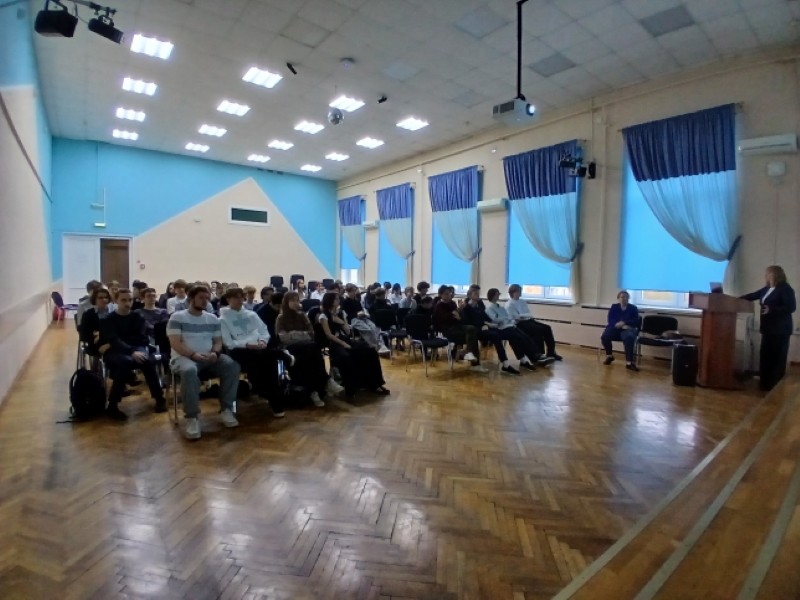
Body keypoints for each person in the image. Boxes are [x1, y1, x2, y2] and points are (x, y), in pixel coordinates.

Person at [167, 285, 241, 440]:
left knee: (232, 366)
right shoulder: (177, 317)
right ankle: (192, 417)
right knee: (189, 371)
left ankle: (227, 409)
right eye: (201, 297)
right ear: (190, 298)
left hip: (209, 356)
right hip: (184, 357)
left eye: (207, 298)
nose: (204, 301)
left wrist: (215, 353)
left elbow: (218, 341)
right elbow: (175, 343)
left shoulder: (212, 318)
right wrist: (193, 355)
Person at [219, 287, 294, 417]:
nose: (239, 300)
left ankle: (274, 399)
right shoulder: (222, 319)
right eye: (235, 297)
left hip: (259, 349)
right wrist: (247, 344)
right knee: (270, 360)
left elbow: (264, 331)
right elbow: (228, 343)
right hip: (239, 351)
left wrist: (263, 341)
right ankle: (282, 356)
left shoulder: (251, 315)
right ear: (228, 299)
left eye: (241, 297)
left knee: (270, 365)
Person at [102, 289, 168, 418]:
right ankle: (113, 405)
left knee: (147, 361)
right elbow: (114, 340)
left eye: (130, 300)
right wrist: (131, 351)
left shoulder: (137, 317)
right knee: (124, 363)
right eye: (123, 300)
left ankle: (159, 398)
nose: (127, 303)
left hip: (136, 348)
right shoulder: (108, 319)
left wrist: (134, 349)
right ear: (116, 301)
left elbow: (141, 338)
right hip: (116, 351)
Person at [317, 292, 389, 399]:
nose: (338, 301)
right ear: (330, 301)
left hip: (346, 339)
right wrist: (343, 343)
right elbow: (328, 335)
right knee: (345, 357)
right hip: (334, 344)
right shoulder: (323, 316)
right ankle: (350, 390)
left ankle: (375, 384)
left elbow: (347, 332)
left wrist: (342, 321)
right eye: (336, 299)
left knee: (371, 351)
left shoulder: (342, 313)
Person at [275, 291, 341, 406]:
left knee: (312, 355)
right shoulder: (281, 318)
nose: (296, 303)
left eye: (297, 300)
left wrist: (294, 334)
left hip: (307, 347)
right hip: (290, 348)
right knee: (312, 351)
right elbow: (282, 337)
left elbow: (311, 333)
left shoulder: (302, 315)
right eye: (293, 300)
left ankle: (314, 390)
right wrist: (301, 334)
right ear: (286, 302)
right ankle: (326, 381)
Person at [740, 265, 796, 391]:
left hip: (780, 330)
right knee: (765, 355)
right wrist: (734, 299)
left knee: (777, 357)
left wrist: (772, 310)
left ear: (775, 274)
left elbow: (791, 307)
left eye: (768, 273)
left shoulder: (786, 289)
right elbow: (753, 295)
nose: (766, 275)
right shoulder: (766, 289)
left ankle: (775, 384)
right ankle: (765, 382)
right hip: (768, 329)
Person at [484, 288, 551, 373]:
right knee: (519, 337)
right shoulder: (489, 308)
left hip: (508, 326)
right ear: (493, 296)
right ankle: (532, 357)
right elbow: (496, 320)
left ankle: (529, 357)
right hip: (500, 329)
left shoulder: (500, 307)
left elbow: (507, 317)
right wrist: (504, 319)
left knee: (524, 337)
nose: (498, 296)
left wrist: (508, 320)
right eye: (497, 294)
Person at [432, 285, 485, 371]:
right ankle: (473, 360)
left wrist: (459, 312)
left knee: (472, 330)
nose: (448, 295)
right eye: (446, 294)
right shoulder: (439, 306)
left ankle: (470, 355)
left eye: (449, 293)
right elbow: (444, 319)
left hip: (457, 326)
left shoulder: (452, 303)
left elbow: (458, 317)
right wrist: (455, 313)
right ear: (441, 295)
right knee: (472, 336)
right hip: (448, 330)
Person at [505, 284, 563, 361]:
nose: (520, 293)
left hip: (528, 320)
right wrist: (523, 316)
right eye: (519, 291)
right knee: (538, 330)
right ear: (513, 292)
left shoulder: (522, 301)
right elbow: (515, 317)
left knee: (547, 328)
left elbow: (528, 314)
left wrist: (522, 316)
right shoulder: (509, 304)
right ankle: (539, 354)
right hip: (520, 324)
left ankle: (551, 352)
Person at [341, 284, 390, 355]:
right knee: (367, 330)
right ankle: (375, 347)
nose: (355, 292)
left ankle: (381, 345)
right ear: (348, 292)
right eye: (353, 291)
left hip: (361, 318)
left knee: (374, 327)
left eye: (355, 290)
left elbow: (360, 310)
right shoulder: (345, 302)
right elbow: (346, 314)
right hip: (352, 319)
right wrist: (357, 314)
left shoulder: (356, 301)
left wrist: (363, 314)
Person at [601, 290, 640, 371]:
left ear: (628, 298)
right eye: (622, 297)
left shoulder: (633, 308)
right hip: (615, 328)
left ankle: (629, 363)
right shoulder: (614, 307)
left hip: (627, 329)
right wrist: (616, 324)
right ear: (618, 298)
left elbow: (636, 321)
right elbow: (610, 319)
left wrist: (624, 322)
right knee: (605, 336)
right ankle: (609, 356)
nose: (624, 299)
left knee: (629, 338)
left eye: (626, 297)